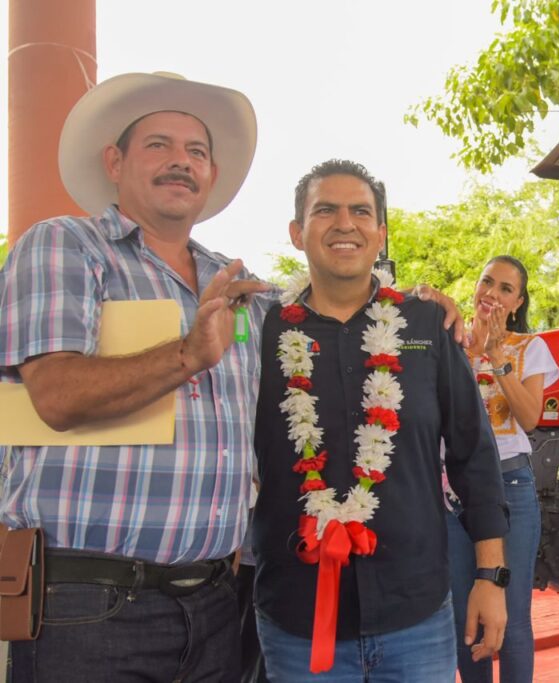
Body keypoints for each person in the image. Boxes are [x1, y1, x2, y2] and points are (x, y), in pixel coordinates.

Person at [0, 71, 271, 681]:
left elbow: (332, 316)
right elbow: (56, 395)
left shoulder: (236, 284)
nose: (181, 162)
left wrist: (409, 306)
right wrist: (186, 355)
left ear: (212, 177)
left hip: (212, 601)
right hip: (87, 603)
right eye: (159, 145)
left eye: (196, 152)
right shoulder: (67, 246)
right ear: (114, 162)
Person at [251, 159, 509, 681]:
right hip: (298, 619)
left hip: (415, 613)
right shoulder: (261, 328)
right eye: (325, 210)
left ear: (380, 233)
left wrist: (491, 576)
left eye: (360, 211)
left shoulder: (426, 324)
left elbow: (473, 455)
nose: (345, 223)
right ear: (298, 233)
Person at [446, 255, 559, 683]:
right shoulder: (448, 343)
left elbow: (529, 418)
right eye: (487, 282)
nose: (492, 293)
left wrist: (496, 358)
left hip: (510, 482)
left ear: (518, 301)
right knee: (466, 614)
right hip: (452, 489)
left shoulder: (531, 347)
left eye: (505, 288)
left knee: (511, 617)